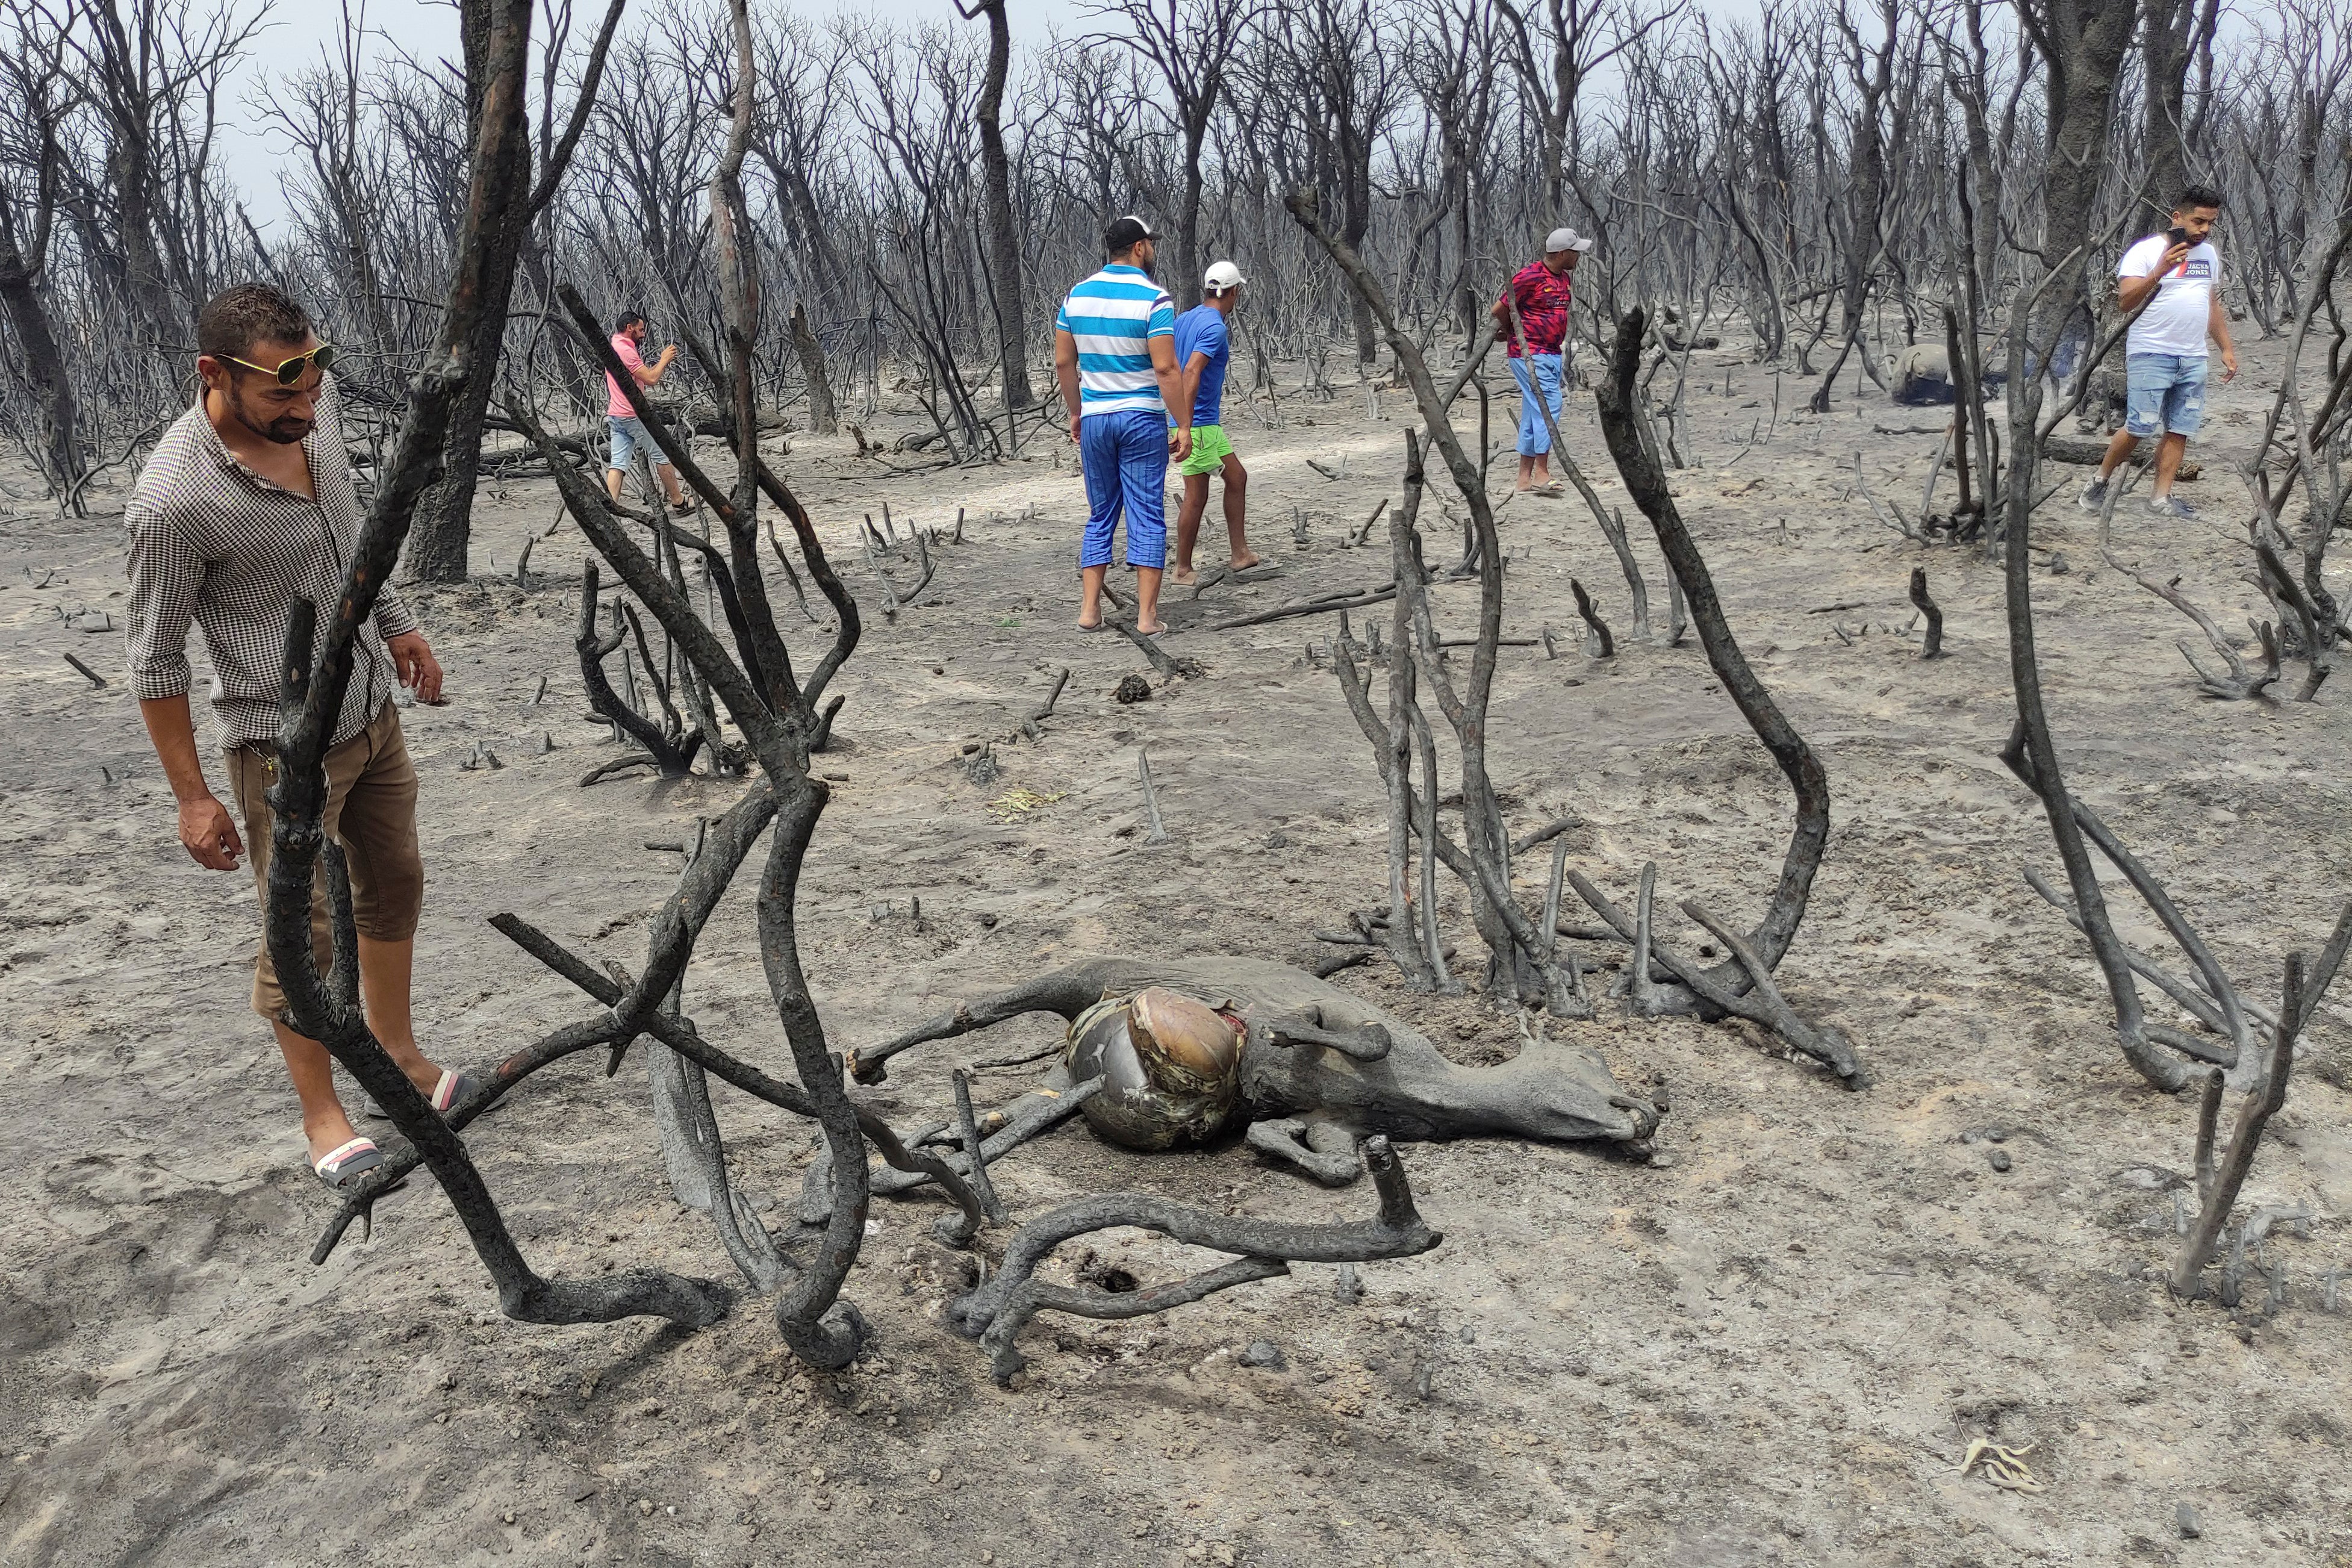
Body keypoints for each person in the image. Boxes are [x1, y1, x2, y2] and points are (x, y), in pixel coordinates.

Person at [125, 282, 479, 1192]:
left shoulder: (310, 431)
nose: (307, 407)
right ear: (214, 375)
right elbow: (155, 661)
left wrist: (398, 623)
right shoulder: (173, 501)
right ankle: (322, 1112)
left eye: (314, 383)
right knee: (303, 936)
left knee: (394, 879)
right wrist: (193, 798)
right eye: (284, 391)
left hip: (369, 706)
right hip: (282, 747)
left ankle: (399, 1053)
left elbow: (352, 542)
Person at [1054, 215, 1191, 635]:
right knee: (1146, 513)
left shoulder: (1076, 297)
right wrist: (1182, 423)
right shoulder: (1155, 299)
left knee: (1101, 514)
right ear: (1139, 248)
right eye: (1150, 244)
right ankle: (1147, 617)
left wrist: (1077, 411)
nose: (1152, 250)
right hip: (1141, 418)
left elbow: (1064, 361)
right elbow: (1166, 368)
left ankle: (1089, 611)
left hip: (1096, 418)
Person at [2079, 184, 2239, 520]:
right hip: (2151, 352)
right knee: (2140, 426)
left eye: (2210, 223)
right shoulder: (2146, 251)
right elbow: (2125, 302)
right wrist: (2159, 272)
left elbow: (2211, 303)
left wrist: (2225, 347)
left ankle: (2160, 498)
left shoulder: (2209, 255)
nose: (2204, 230)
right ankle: (2101, 479)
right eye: (2198, 222)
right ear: (2177, 218)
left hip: (2194, 356)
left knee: (2180, 427)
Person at [1170, 260, 1258, 584]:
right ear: (1233, 291)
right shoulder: (1214, 328)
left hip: (1202, 423)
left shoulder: (1184, 319)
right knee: (1197, 494)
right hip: (1198, 424)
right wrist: (1185, 424)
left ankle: (1240, 553)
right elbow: (1191, 370)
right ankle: (1182, 568)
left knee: (1236, 478)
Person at [1491, 227, 1593, 494]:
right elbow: (1500, 308)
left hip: (1552, 353)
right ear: (1561, 253)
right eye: (1575, 252)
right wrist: (1509, 330)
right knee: (1550, 405)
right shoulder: (1530, 276)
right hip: (1530, 354)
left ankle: (1524, 479)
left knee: (1533, 412)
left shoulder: (1564, 279)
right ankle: (1542, 473)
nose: (1578, 257)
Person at [605, 310, 692, 514]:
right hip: (631, 415)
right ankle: (679, 502)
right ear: (630, 328)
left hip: (616, 414)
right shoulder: (626, 351)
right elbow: (651, 379)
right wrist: (664, 359)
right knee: (661, 455)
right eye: (641, 329)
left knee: (618, 463)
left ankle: (610, 506)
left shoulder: (614, 344)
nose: (643, 334)